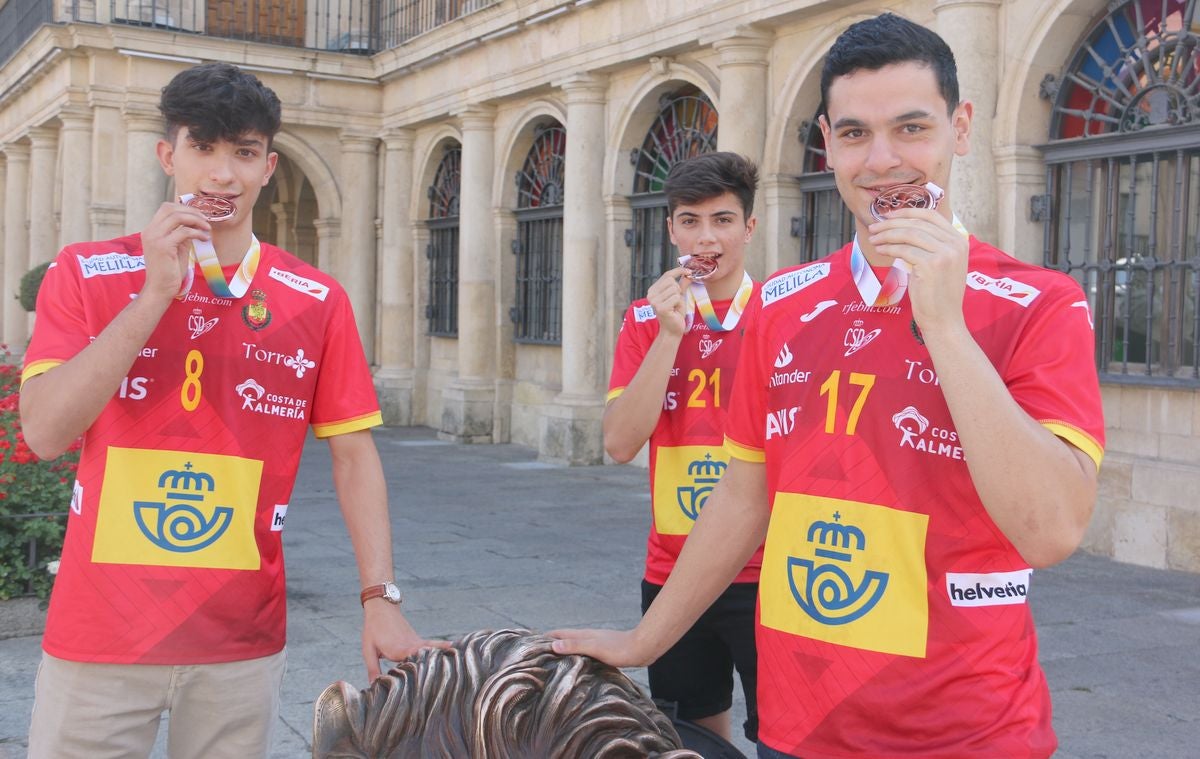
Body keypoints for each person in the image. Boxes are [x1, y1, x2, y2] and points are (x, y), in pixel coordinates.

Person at [552, 13, 1105, 759]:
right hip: (800, 725)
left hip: (968, 731)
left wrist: (944, 326)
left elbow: (1051, 530)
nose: (882, 161)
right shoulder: (781, 305)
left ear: (960, 127)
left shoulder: (1039, 302)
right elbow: (745, 494)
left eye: (911, 128)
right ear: (826, 141)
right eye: (854, 134)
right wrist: (645, 638)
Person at [19, 62, 446, 758]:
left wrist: (380, 595)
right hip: (101, 634)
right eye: (203, 148)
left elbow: (353, 454)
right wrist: (154, 295)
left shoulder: (316, 298)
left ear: (268, 165)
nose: (222, 175)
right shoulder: (86, 273)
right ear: (168, 154)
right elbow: (43, 429)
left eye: (243, 152)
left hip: (238, 640)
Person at [604, 151, 762, 743]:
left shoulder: (783, 313)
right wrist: (670, 334)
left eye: (723, 220)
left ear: (749, 228)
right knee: (691, 732)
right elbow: (620, 442)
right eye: (690, 220)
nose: (706, 237)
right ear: (671, 228)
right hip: (672, 565)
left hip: (769, 567)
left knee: (782, 733)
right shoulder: (647, 318)